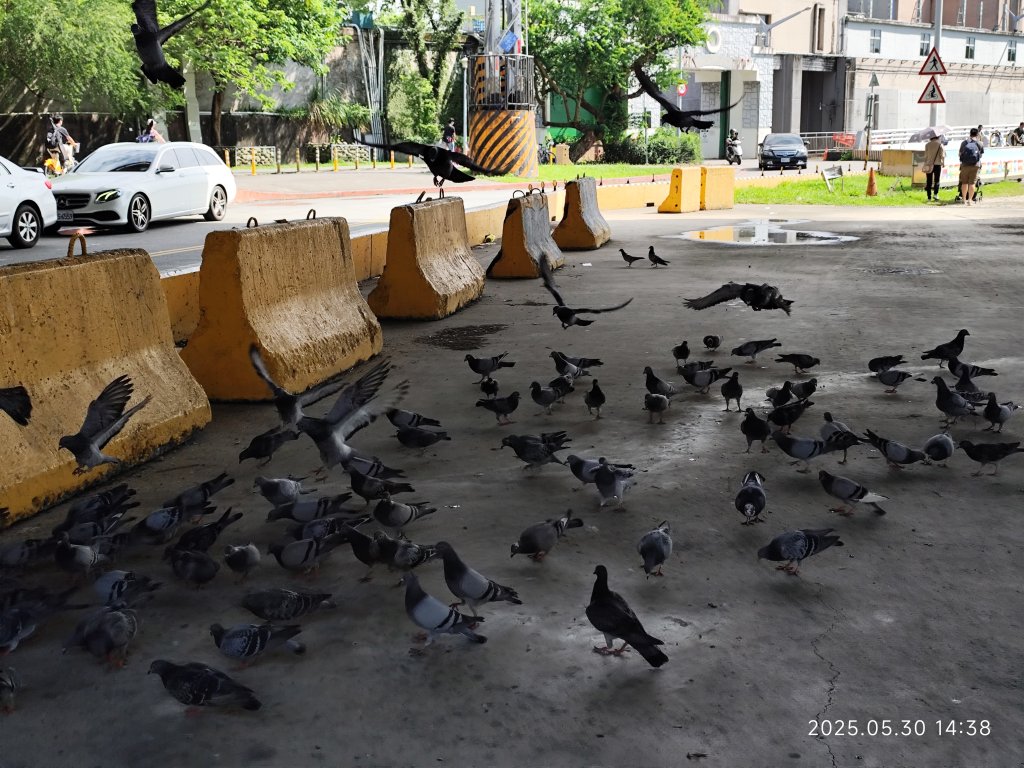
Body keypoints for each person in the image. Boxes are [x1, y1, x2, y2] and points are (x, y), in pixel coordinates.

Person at [958, 127, 984, 206]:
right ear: (977, 134)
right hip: (975, 165)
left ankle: (964, 200)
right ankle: (969, 200)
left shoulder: (964, 143)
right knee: (972, 183)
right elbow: (981, 155)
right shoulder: (980, 143)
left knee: (964, 182)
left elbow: (959, 154)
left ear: (970, 134)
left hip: (964, 165)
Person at [922, 133, 944, 202]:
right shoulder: (940, 145)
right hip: (937, 164)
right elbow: (942, 156)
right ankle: (935, 194)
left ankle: (929, 197)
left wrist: (925, 163)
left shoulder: (927, 145)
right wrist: (943, 163)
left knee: (929, 181)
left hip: (928, 164)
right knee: (936, 180)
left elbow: (925, 156)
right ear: (937, 136)